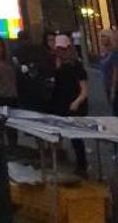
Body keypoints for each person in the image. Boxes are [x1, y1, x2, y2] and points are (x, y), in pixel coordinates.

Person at [52, 33, 89, 175]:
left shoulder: (77, 66)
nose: (61, 52)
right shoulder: (60, 65)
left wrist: (77, 101)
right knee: (71, 136)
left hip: (75, 104)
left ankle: (82, 165)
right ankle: (77, 163)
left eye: (63, 49)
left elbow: (84, 90)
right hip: (64, 103)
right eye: (59, 49)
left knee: (76, 137)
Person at [97, 29, 118, 115]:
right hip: (107, 85)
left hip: (115, 87)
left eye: (104, 36)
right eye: (101, 37)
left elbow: (115, 72)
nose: (102, 39)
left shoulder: (114, 53)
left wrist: (113, 89)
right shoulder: (104, 54)